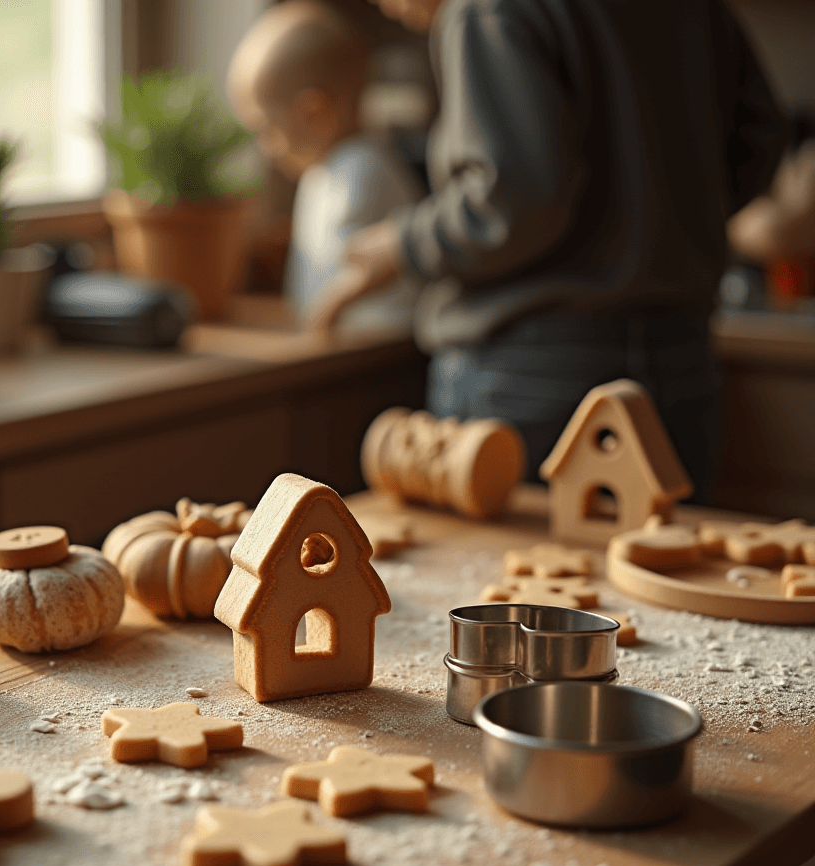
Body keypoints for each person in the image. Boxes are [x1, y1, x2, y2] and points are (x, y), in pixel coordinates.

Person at [313, 0, 787, 499]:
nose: (386, 9)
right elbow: (758, 137)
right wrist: (665, 219)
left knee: (516, 574)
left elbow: (515, 201)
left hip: (532, 375)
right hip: (682, 362)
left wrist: (402, 244)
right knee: (667, 566)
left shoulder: (483, 10)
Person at [227, 0, 424, 332]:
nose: (265, 148)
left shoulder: (358, 171)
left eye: (267, 129)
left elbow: (352, 275)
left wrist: (317, 321)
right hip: (345, 347)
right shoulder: (325, 172)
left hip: (374, 352)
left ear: (315, 115)